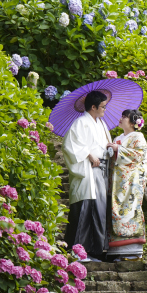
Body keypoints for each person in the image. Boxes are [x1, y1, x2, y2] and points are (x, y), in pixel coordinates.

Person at [62, 90, 112, 262]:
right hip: (88, 170)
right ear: (93, 107)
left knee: (99, 210)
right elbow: (69, 146)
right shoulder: (80, 123)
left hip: (101, 171)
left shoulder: (101, 124)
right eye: (103, 107)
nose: (105, 110)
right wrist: (89, 154)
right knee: (84, 209)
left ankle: (96, 251)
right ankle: (77, 251)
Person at [106, 109, 147, 261]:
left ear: (133, 122)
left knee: (129, 210)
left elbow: (139, 156)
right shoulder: (119, 137)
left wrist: (118, 149)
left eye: (124, 117)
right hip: (117, 180)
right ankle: (115, 249)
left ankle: (132, 250)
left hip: (131, 183)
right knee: (114, 210)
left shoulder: (138, 137)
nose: (121, 118)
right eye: (122, 115)